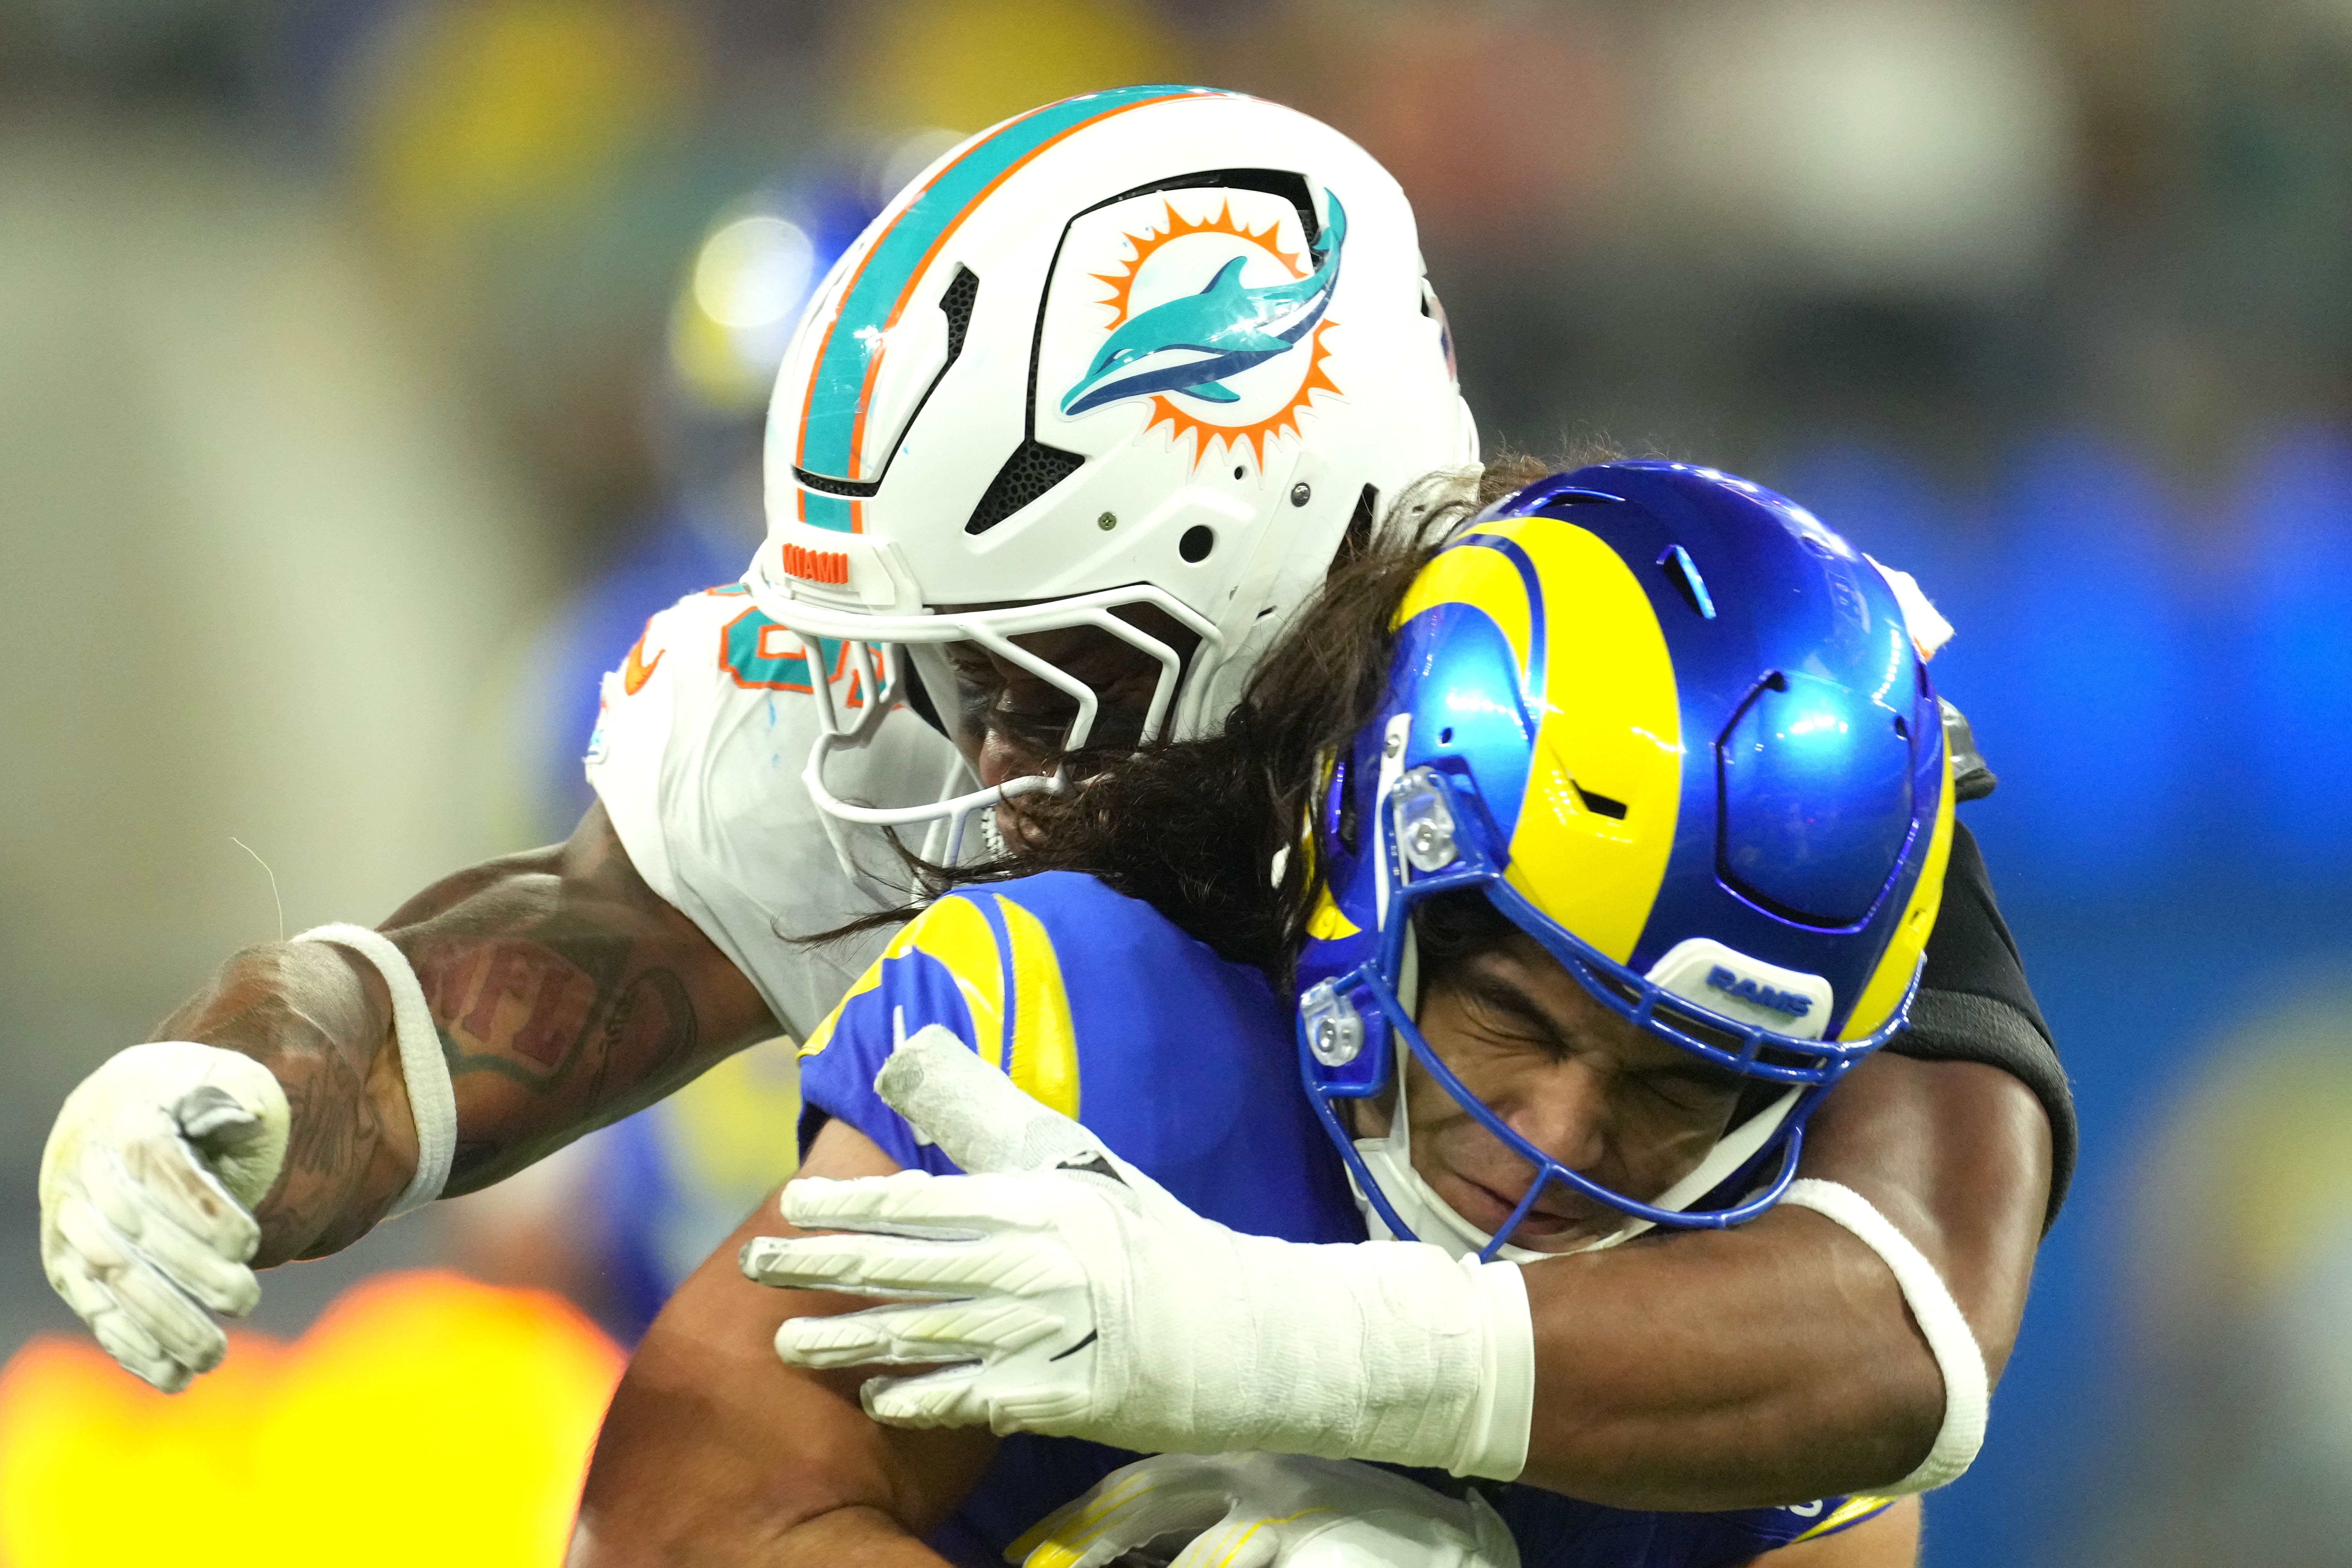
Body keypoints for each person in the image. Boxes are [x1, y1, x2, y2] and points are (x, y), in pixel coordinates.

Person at [36, 87, 2063, 1513]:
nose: (952, 733)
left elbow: (1910, 1332)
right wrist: (282, 1067)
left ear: (1280, 574)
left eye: (1022, 666)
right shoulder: (986, 725)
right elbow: (587, 948)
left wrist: (1259, 1343)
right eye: (940, 655)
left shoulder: (1695, 723)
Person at [575, 462, 1950, 1566]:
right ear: (1359, 854)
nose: (1557, 1136)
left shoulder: (1790, 1284)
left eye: (1675, 1085)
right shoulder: (1079, 1027)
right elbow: (663, 1526)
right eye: (1515, 1017)